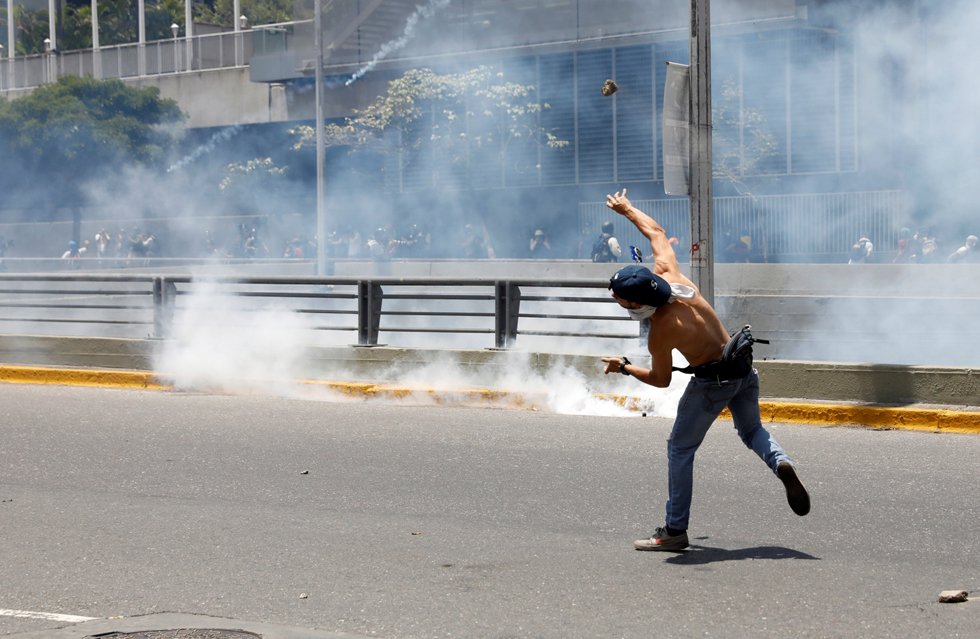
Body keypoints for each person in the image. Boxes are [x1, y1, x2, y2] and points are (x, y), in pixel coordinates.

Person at [599, 188, 809, 552]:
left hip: (712, 382)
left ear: (636, 303)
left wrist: (626, 367)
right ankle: (782, 463)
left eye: (619, 299)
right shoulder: (672, 276)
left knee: (680, 449)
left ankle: (674, 530)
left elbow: (662, 380)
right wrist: (628, 209)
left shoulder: (661, 331)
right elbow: (657, 233)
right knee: (752, 430)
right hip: (742, 366)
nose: (617, 301)